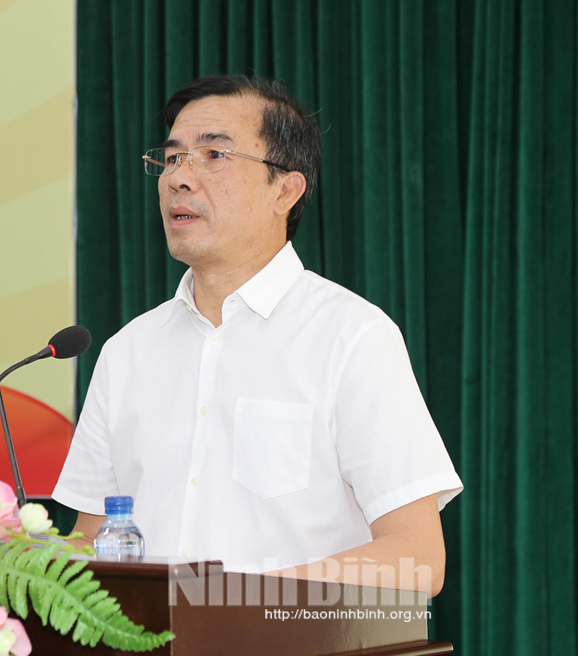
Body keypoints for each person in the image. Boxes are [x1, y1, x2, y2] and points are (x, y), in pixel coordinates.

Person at [52, 75, 463, 596]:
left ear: (285, 190)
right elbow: (91, 541)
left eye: (213, 155)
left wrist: (235, 599)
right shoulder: (127, 351)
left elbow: (417, 558)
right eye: (172, 158)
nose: (179, 178)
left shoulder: (352, 336)